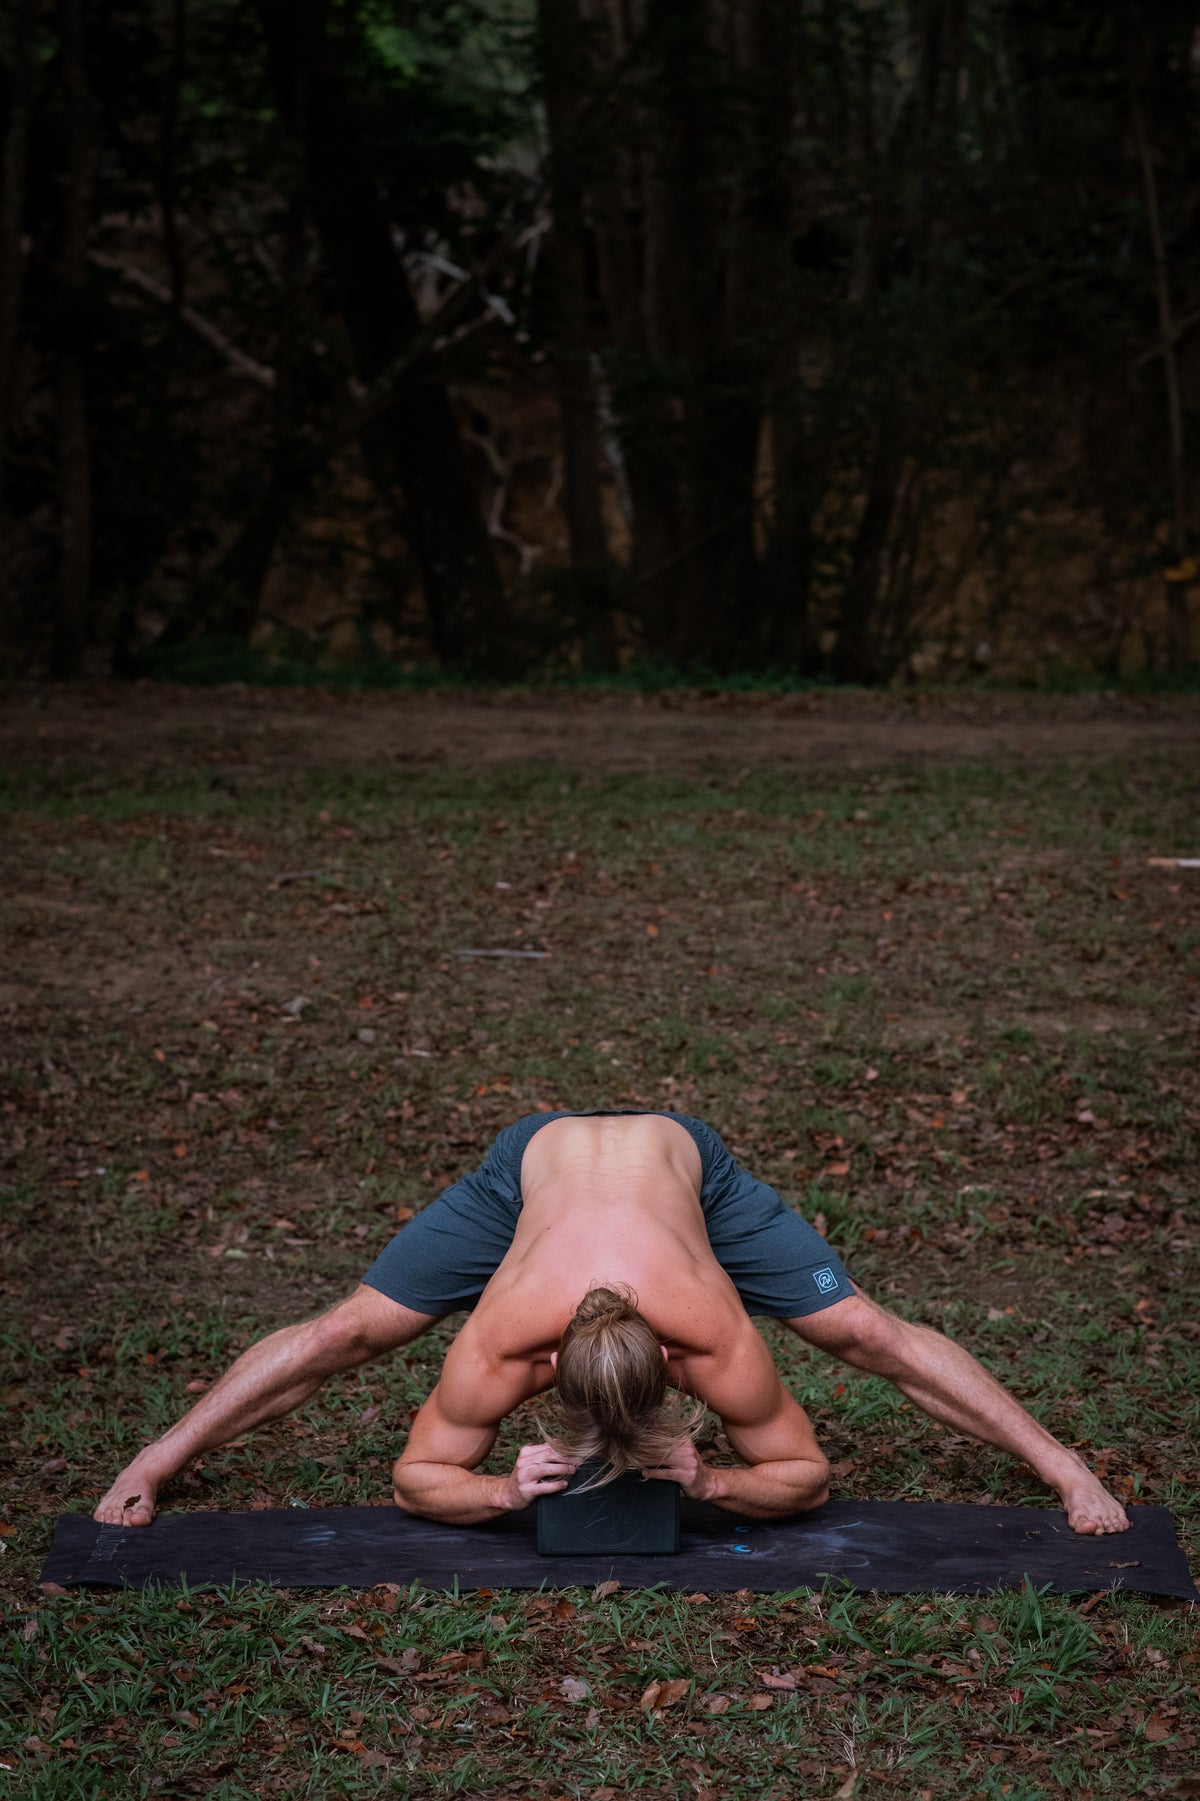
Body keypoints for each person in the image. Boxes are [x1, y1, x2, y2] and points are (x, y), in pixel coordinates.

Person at [93, 1111, 1130, 1535]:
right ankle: (159, 1451)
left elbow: (808, 1472)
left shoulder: (714, 1334)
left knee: (865, 1330)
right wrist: (501, 1485)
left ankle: (1062, 1460)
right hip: (528, 1172)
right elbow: (415, 1477)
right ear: (544, 1370)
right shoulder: (503, 1340)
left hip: (686, 1169)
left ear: (676, 1367)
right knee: (346, 1330)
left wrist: (715, 1478)